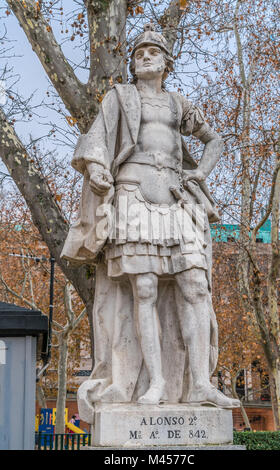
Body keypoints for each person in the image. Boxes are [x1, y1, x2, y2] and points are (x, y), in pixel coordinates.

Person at [61, 24, 239, 423]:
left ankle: (199, 383)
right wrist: (95, 169)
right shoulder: (119, 97)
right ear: (132, 62)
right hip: (133, 197)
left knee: (194, 285)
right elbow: (95, 141)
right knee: (143, 289)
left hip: (177, 201)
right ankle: (155, 382)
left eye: (152, 52)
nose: (145, 56)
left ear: (165, 62)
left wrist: (201, 174)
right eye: (139, 52)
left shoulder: (178, 104)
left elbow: (216, 141)